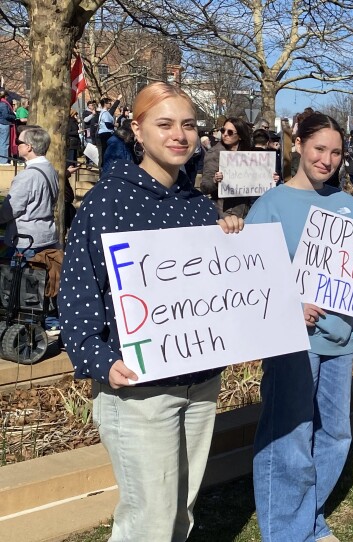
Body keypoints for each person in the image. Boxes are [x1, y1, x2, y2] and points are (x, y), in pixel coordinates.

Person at [59, 82, 244, 541]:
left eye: (187, 125)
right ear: (137, 131)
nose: (179, 135)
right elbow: (78, 289)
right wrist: (99, 360)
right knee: (150, 520)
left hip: (200, 383)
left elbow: (217, 293)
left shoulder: (201, 208)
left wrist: (231, 241)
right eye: (165, 124)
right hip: (140, 389)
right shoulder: (107, 202)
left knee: (179, 510)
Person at [248, 113, 353, 542]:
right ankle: (287, 532)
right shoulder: (270, 204)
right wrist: (290, 302)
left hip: (341, 340)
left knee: (335, 435)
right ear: (299, 146)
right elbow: (253, 276)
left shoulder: (350, 205)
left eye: (336, 152)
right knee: (289, 437)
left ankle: (307, 517)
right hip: (294, 340)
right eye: (319, 149)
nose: (327, 159)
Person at [200, 117, 254, 218]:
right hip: (224, 212)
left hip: (245, 211)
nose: (224, 134)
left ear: (240, 136)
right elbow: (205, 187)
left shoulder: (247, 154)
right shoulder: (214, 153)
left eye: (230, 132)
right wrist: (215, 180)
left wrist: (269, 178)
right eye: (223, 130)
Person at [0, 89, 16, 164]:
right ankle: (3, 161)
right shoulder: (3, 104)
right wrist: (13, 116)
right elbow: (5, 115)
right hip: (4, 124)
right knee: (4, 143)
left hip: (2, 123)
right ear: (5, 96)